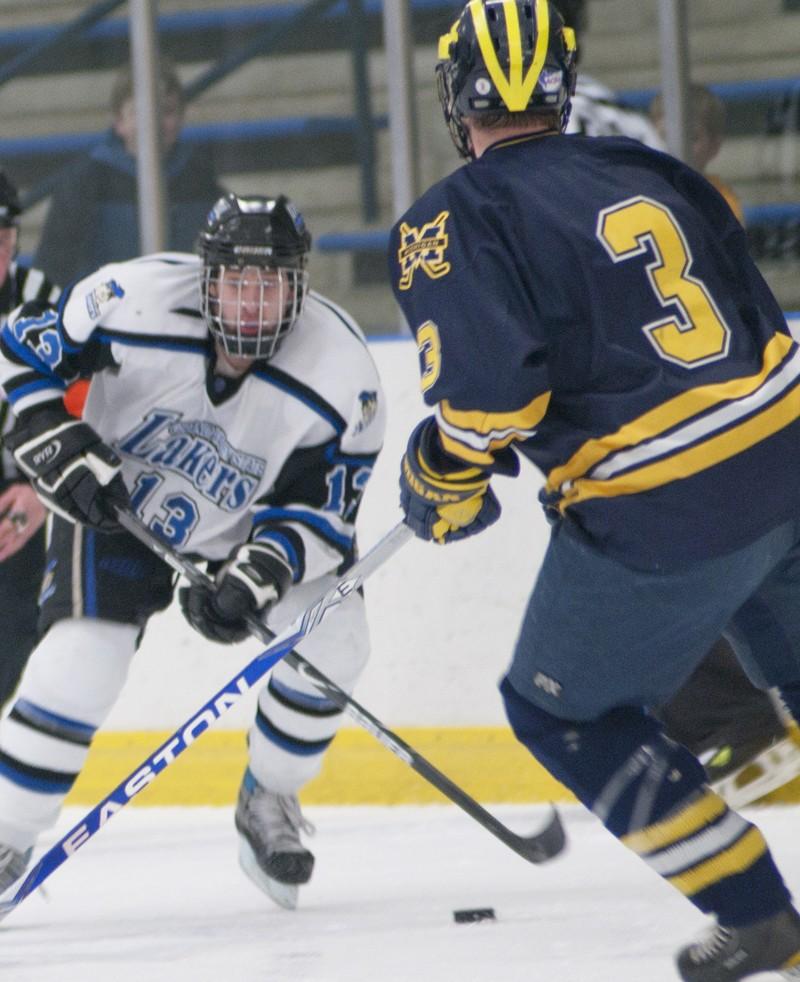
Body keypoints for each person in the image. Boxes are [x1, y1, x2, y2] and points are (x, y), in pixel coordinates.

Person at [392, 2, 800, 978]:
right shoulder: (653, 170)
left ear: (456, 100)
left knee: (559, 710)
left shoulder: (446, 219)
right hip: (782, 451)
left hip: (660, 504)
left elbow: (491, 400)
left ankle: (755, 911)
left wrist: (437, 480)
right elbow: (757, 314)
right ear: (559, 91)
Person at [0, 192, 386, 912]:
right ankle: (7, 833)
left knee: (337, 639)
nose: (250, 304)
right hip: (119, 500)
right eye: (236, 282)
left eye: (269, 285)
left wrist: (260, 575)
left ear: (299, 286)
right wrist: (51, 431)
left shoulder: (344, 378)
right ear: (205, 276)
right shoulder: (130, 298)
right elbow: (18, 349)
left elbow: (319, 514)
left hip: (250, 523)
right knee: (79, 663)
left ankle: (268, 795)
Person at [554, 2, 800, 808]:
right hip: (719, 377)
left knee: (647, 550)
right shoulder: (621, 121)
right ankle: (741, 722)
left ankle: (733, 724)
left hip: (627, 394)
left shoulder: (512, 134)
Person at [34, 60, 224, 287]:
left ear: (181, 118)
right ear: (119, 121)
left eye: (167, 111)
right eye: (140, 112)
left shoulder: (199, 179)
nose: (155, 123)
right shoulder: (85, 183)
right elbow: (53, 269)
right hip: (105, 312)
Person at [0, 170, 61, 709]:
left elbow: (90, 408)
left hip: (20, 495)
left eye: (0, 235)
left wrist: (42, 493)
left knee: (15, 637)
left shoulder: (45, 304)